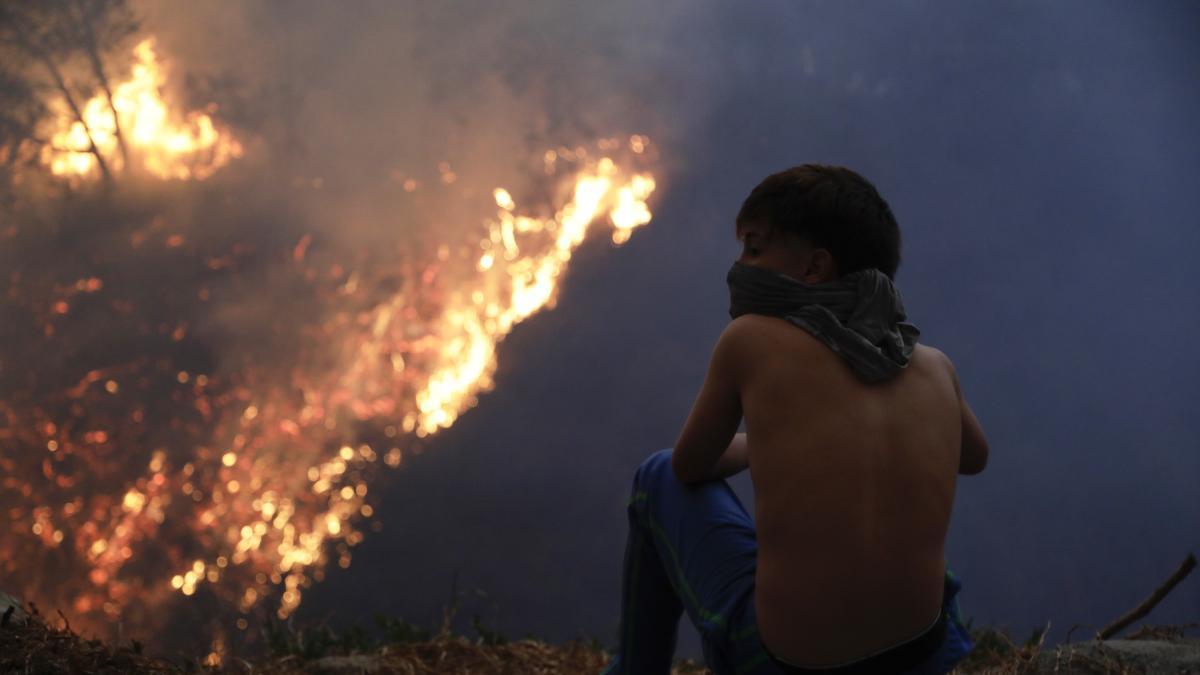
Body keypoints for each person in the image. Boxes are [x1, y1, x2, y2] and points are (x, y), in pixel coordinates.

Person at [601, 165, 988, 675]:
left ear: (814, 268)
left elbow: (690, 465)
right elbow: (974, 458)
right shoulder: (933, 364)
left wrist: (758, 443)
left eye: (755, 249)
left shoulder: (751, 340)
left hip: (786, 663)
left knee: (656, 475)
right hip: (919, 654)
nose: (739, 266)